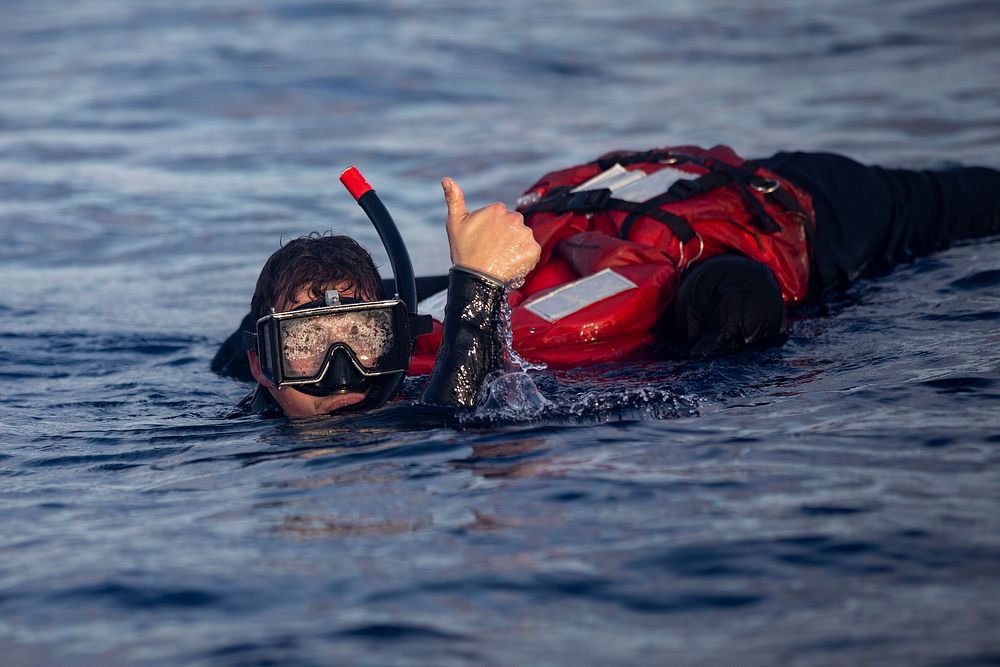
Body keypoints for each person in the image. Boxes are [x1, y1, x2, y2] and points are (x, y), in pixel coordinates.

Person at [213, 146, 1000, 418]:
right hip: (635, 207)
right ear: (262, 361)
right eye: (308, 345)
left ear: (392, 331)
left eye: (358, 337)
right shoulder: (266, 393)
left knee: (740, 316)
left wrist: (478, 283)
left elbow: (452, 421)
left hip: (810, 209)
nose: (342, 372)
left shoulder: (430, 371)